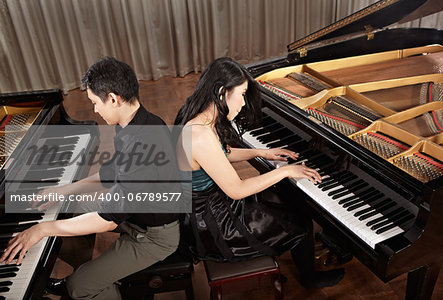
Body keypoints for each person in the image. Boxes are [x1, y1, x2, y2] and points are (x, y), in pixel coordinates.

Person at [0, 57, 181, 300]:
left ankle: (93, 281)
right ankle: (89, 269)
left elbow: (108, 220)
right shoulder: (135, 122)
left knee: (79, 288)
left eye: (95, 102)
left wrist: (42, 229)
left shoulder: (142, 144)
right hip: (136, 213)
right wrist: (62, 191)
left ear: (114, 98)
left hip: (154, 235)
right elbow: (110, 173)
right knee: (67, 206)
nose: (94, 109)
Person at [174, 57, 345, 288]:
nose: (243, 103)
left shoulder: (199, 119)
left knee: (285, 199)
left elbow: (222, 154)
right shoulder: (199, 135)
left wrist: (263, 153)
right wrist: (286, 172)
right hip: (214, 225)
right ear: (222, 92)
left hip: (212, 207)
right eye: (242, 94)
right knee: (301, 222)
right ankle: (309, 278)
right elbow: (237, 190)